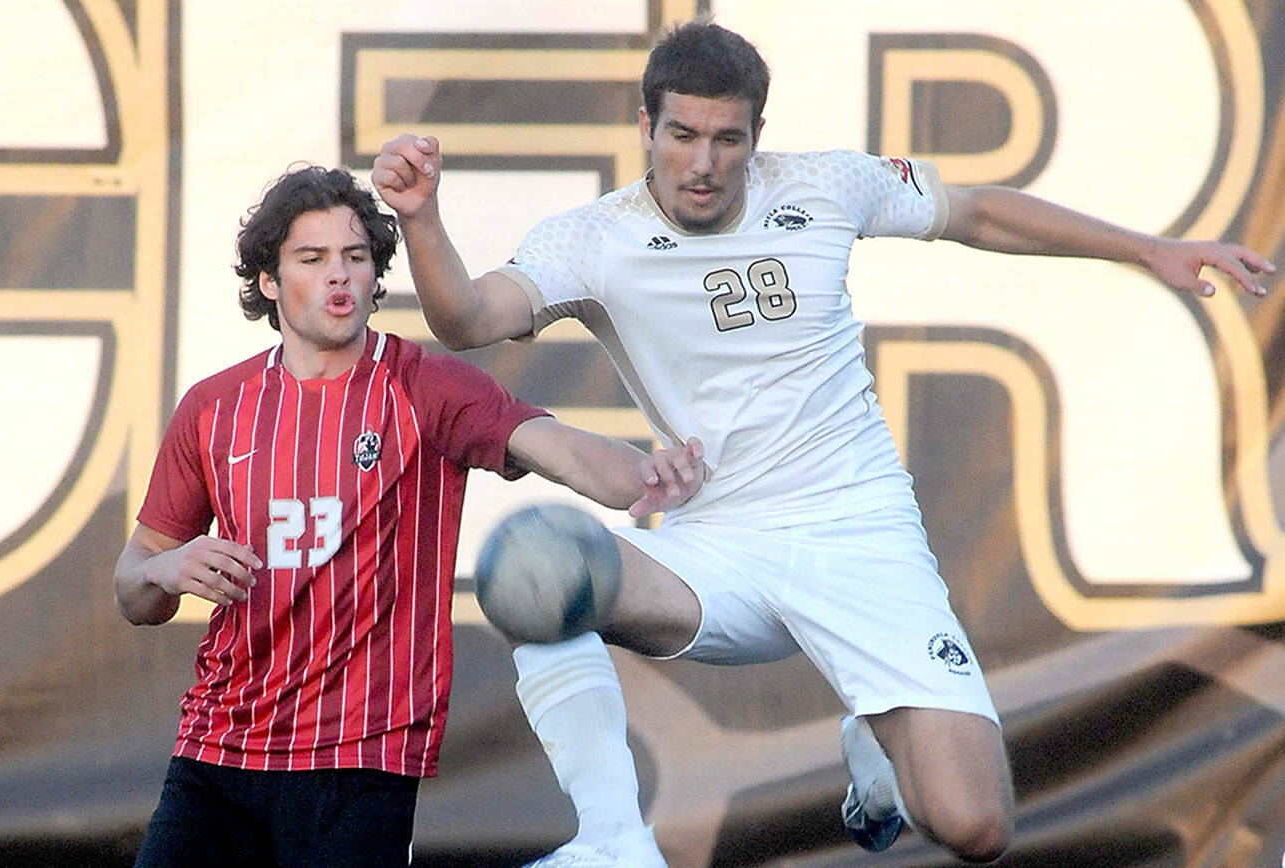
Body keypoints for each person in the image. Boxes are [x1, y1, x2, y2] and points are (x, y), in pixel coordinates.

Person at [370, 20, 1276, 866]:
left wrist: (1150, 249)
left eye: (727, 140)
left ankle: (872, 746)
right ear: (646, 124)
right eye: (682, 135)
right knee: (539, 567)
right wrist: (419, 219)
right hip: (716, 548)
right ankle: (612, 838)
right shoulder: (594, 239)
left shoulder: (823, 186)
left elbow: (981, 213)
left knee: (975, 825)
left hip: (858, 533)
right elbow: (467, 319)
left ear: (757, 136)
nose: (702, 163)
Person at [114, 165, 705, 868]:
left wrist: (646, 473)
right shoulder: (215, 409)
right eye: (313, 259)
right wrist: (166, 565)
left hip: (361, 756)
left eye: (356, 257)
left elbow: (561, 450)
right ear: (269, 281)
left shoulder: (424, 387)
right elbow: (132, 589)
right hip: (219, 749)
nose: (340, 276)